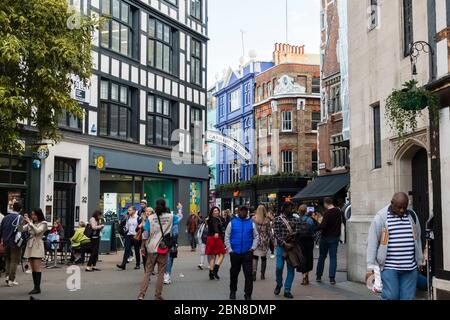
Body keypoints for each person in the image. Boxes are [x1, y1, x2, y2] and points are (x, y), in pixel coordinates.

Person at [366, 192, 424, 300]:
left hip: (410, 268)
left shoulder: (412, 216)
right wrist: (370, 267)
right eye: (399, 207)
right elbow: (372, 243)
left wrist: (419, 260)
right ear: (391, 203)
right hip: (389, 267)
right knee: (391, 296)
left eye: (404, 207)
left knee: (408, 298)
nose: (402, 210)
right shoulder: (381, 218)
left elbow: (418, 239)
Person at [138, 198, 174, 300]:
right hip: (163, 248)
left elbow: (145, 232)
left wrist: (142, 247)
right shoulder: (171, 217)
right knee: (161, 273)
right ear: (165, 205)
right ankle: (158, 296)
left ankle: (141, 294)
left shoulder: (151, 218)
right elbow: (179, 220)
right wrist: (180, 209)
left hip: (151, 247)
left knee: (148, 272)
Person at [225, 206, 259, 300]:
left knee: (248, 274)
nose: (243, 212)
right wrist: (230, 250)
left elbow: (256, 236)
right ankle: (232, 291)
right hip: (235, 253)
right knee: (234, 273)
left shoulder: (251, 223)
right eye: (242, 210)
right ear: (238, 211)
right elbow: (227, 236)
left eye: (245, 211)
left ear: (247, 212)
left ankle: (248, 294)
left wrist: (252, 248)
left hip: (247, 253)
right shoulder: (232, 222)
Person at [313, 197, 346, 285]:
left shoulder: (327, 213)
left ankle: (319, 276)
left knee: (322, 256)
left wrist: (315, 228)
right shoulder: (339, 211)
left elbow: (323, 226)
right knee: (333, 257)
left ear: (325, 203)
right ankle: (332, 278)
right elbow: (344, 222)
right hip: (335, 237)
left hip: (325, 238)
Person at [273, 202, 301, 299]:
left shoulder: (296, 219)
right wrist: (285, 243)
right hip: (281, 247)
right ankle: (279, 283)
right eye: (288, 208)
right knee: (279, 267)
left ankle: (287, 290)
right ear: (283, 208)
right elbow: (276, 234)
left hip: (292, 248)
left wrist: (292, 241)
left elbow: (298, 232)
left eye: (291, 208)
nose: (290, 209)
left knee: (291, 269)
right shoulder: (277, 219)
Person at [22, 209, 48, 294]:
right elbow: (20, 229)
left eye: (34, 215)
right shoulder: (31, 223)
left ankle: (37, 288)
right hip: (30, 244)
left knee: (37, 267)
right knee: (33, 268)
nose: (33, 216)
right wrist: (23, 221)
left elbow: (38, 231)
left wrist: (30, 222)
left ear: (38, 215)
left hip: (37, 244)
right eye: (32, 214)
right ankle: (35, 287)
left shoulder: (44, 223)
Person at [0, 202, 23, 286]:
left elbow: (1, 230)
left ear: (12, 208)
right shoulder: (20, 217)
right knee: (14, 261)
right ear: (20, 209)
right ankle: (11, 279)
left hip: (5, 242)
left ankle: (7, 276)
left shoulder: (5, 217)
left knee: (7, 260)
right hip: (15, 243)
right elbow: (20, 231)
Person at [164, 202, 184, 284]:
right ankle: (167, 275)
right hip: (172, 241)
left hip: (164, 240)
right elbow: (180, 216)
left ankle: (167, 275)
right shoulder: (173, 218)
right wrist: (180, 209)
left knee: (169, 257)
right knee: (170, 257)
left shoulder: (162, 219)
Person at [117, 206, 142, 270]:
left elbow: (140, 228)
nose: (128, 211)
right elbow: (126, 227)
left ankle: (138, 264)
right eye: (128, 210)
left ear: (134, 211)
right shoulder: (128, 218)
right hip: (129, 235)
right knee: (127, 250)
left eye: (130, 210)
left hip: (135, 236)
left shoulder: (138, 218)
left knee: (136, 250)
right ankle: (123, 264)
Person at [252, 205, 272, 281]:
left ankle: (254, 272)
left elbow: (251, 229)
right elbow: (269, 232)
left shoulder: (253, 219)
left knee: (255, 257)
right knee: (263, 258)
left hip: (255, 240)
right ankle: (262, 274)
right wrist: (272, 241)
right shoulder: (267, 220)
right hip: (264, 241)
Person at [205, 207, 226, 280]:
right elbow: (215, 226)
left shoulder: (210, 219)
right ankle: (215, 270)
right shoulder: (215, 219)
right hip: (215, 238)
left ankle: (211, 273)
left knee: (213, 256)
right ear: (212, 212)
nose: (216, 212)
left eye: (217, 210)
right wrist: (216, 232)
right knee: (222, 254)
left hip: (210, 238)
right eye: (215, 211)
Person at [297, 205, 316, 285]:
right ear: (306, 211)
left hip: (300, 242)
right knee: (308, 257)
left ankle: (303, 276)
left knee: (302, 258)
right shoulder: (310, 220)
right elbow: (313, 230)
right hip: (309, 241)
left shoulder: (298, 220)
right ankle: (307, 275)